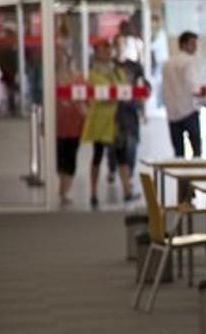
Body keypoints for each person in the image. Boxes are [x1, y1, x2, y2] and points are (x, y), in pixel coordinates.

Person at [82, 41, 126, 209]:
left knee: (121, 154)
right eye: (104, 50)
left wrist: (115, 91)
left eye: (109, 49)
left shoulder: (117, 70)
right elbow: (105, 91)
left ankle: (127, 190)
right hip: (100, 119)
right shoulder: (94, 73)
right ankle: (93, 192)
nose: (108, 52)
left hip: (116, 118)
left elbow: (123, 89)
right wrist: (114, 92)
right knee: (97, 155)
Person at [163, 31, 202, 158]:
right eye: (192, 44)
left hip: (173, 113)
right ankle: (196, 175)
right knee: (196, 151)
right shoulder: (189, 61)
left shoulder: (168, 63)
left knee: (178, 154)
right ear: (183, 45)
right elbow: (193, 86)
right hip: (189, 111)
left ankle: (182, 178)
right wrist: (204, 100)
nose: (195, 47)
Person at [113, 58, 146, 202]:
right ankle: (127, 187)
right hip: (117, 116)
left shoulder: (136, 67)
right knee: (121, 151)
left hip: (131, 115)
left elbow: (143, 88)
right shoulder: (114, 69)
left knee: (131, 150)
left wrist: (142, 109)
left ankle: (128, 184)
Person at [54, 52, 86, 206]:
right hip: (58, 126)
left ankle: (65, 190)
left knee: (71, 157)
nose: (63, 64)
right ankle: (62, 185)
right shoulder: (52, 79)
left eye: (64, 60)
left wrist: (84, 111)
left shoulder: (78, 79)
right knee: (59, 158)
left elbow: (86, 100)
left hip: (74, 125)